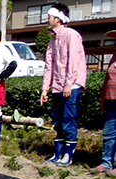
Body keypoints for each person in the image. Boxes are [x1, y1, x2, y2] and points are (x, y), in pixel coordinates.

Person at [40, 2, 87, 167]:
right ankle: (58, 154)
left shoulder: (71, 35)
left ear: (58, 18)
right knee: (58, 121)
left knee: (69, 120)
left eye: (49, 17)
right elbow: (49, 67)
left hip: (71, 86)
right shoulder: (53, 41)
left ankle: (68, 155)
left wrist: (69, 84)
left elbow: (74, 61)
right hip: (57, 87)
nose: (47, 20)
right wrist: (45, 88)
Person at [92, 31, 116, 176]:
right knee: (109, 133)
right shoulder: (114, 58)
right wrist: (103, 100)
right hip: (112, 101)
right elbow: (107, 80)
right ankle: (106, 163)